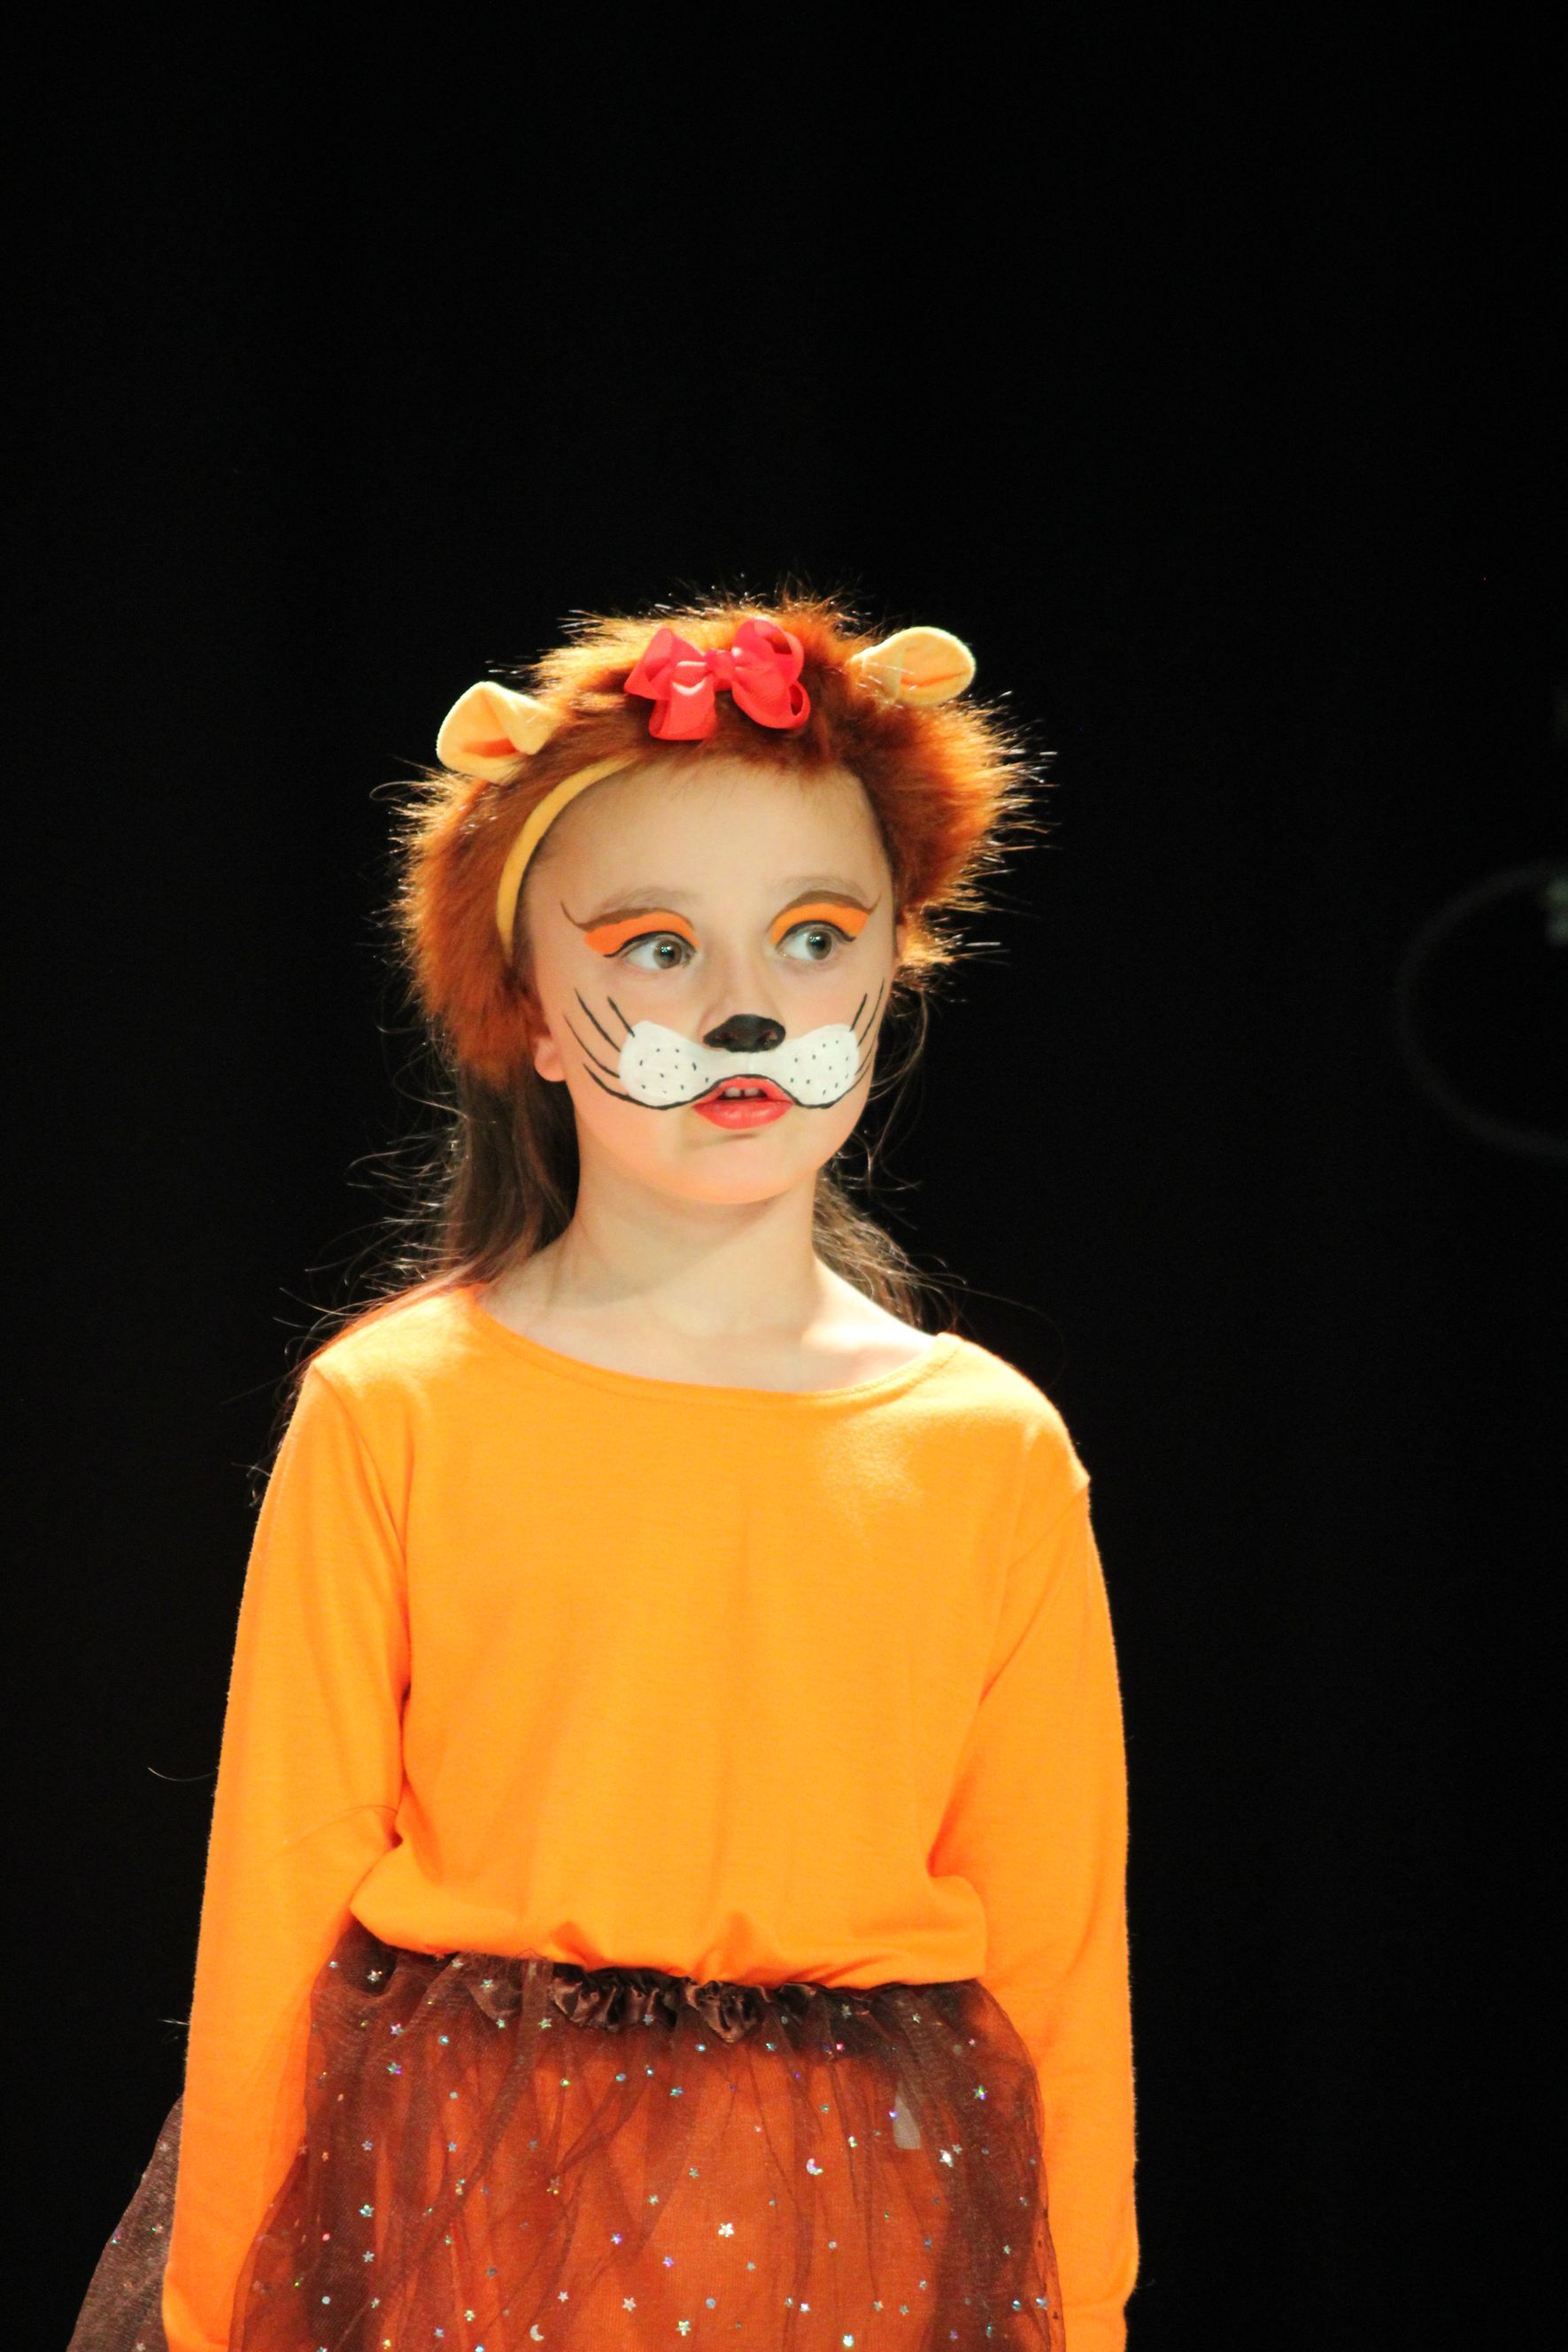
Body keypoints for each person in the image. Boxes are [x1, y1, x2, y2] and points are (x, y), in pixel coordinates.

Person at [67, 593, 1139, 2351]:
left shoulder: (980, 1450)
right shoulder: (401, 1404)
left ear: (889, 965)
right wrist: (206, 2318)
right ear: (533, 1014)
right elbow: (276, 1891)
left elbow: (1055, 1950)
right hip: (463, 2217)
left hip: (855, 2232)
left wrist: (1080, 2314)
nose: (739, 1008)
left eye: (809, 935)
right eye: (654, 946)